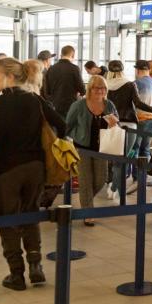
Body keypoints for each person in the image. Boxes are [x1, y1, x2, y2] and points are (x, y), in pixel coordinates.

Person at [0, 58, 66, 290]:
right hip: (34, 167)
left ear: (10, 77)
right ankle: (36, 266)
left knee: (7, 219)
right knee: (30, 213)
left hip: (6, 169)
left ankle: (17, 273)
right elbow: (61, 123)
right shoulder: (35, 100)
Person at [65, 76, 119, 226]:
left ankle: (86, 200)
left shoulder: (109, 105)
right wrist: (72, 140)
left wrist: (114, 123)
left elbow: (116, 124)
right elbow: (68, 125)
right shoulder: (79, 105)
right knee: (85, 180)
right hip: (82, 148)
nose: (100, 91)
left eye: (103, 88)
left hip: (102, 148)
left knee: (101, 179)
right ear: (90, 89)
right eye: (97, 88)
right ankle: (88, 213)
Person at [105, 60, 152, 195]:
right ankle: (130, 182)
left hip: (113, 124)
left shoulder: (105, 86)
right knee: (131, 154)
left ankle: (113, 185)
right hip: (132, 124)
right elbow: (138, 103)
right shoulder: (131, 84)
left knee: (115, 156)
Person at [133, 60, 152, 163]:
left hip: (138, 120)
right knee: (146, 150)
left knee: (134, 149)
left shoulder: (135, 84)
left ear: (137, 70)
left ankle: (134, 175)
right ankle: (143, 176)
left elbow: (132, 104)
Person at [43, 45, 85, 117]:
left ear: (61, 55)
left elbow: (47, 91)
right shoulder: (74, 69)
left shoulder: (51, 69)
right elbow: (82, 89)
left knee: (58, 126)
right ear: (73, 55)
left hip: (55, 105)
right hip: (71, 105)